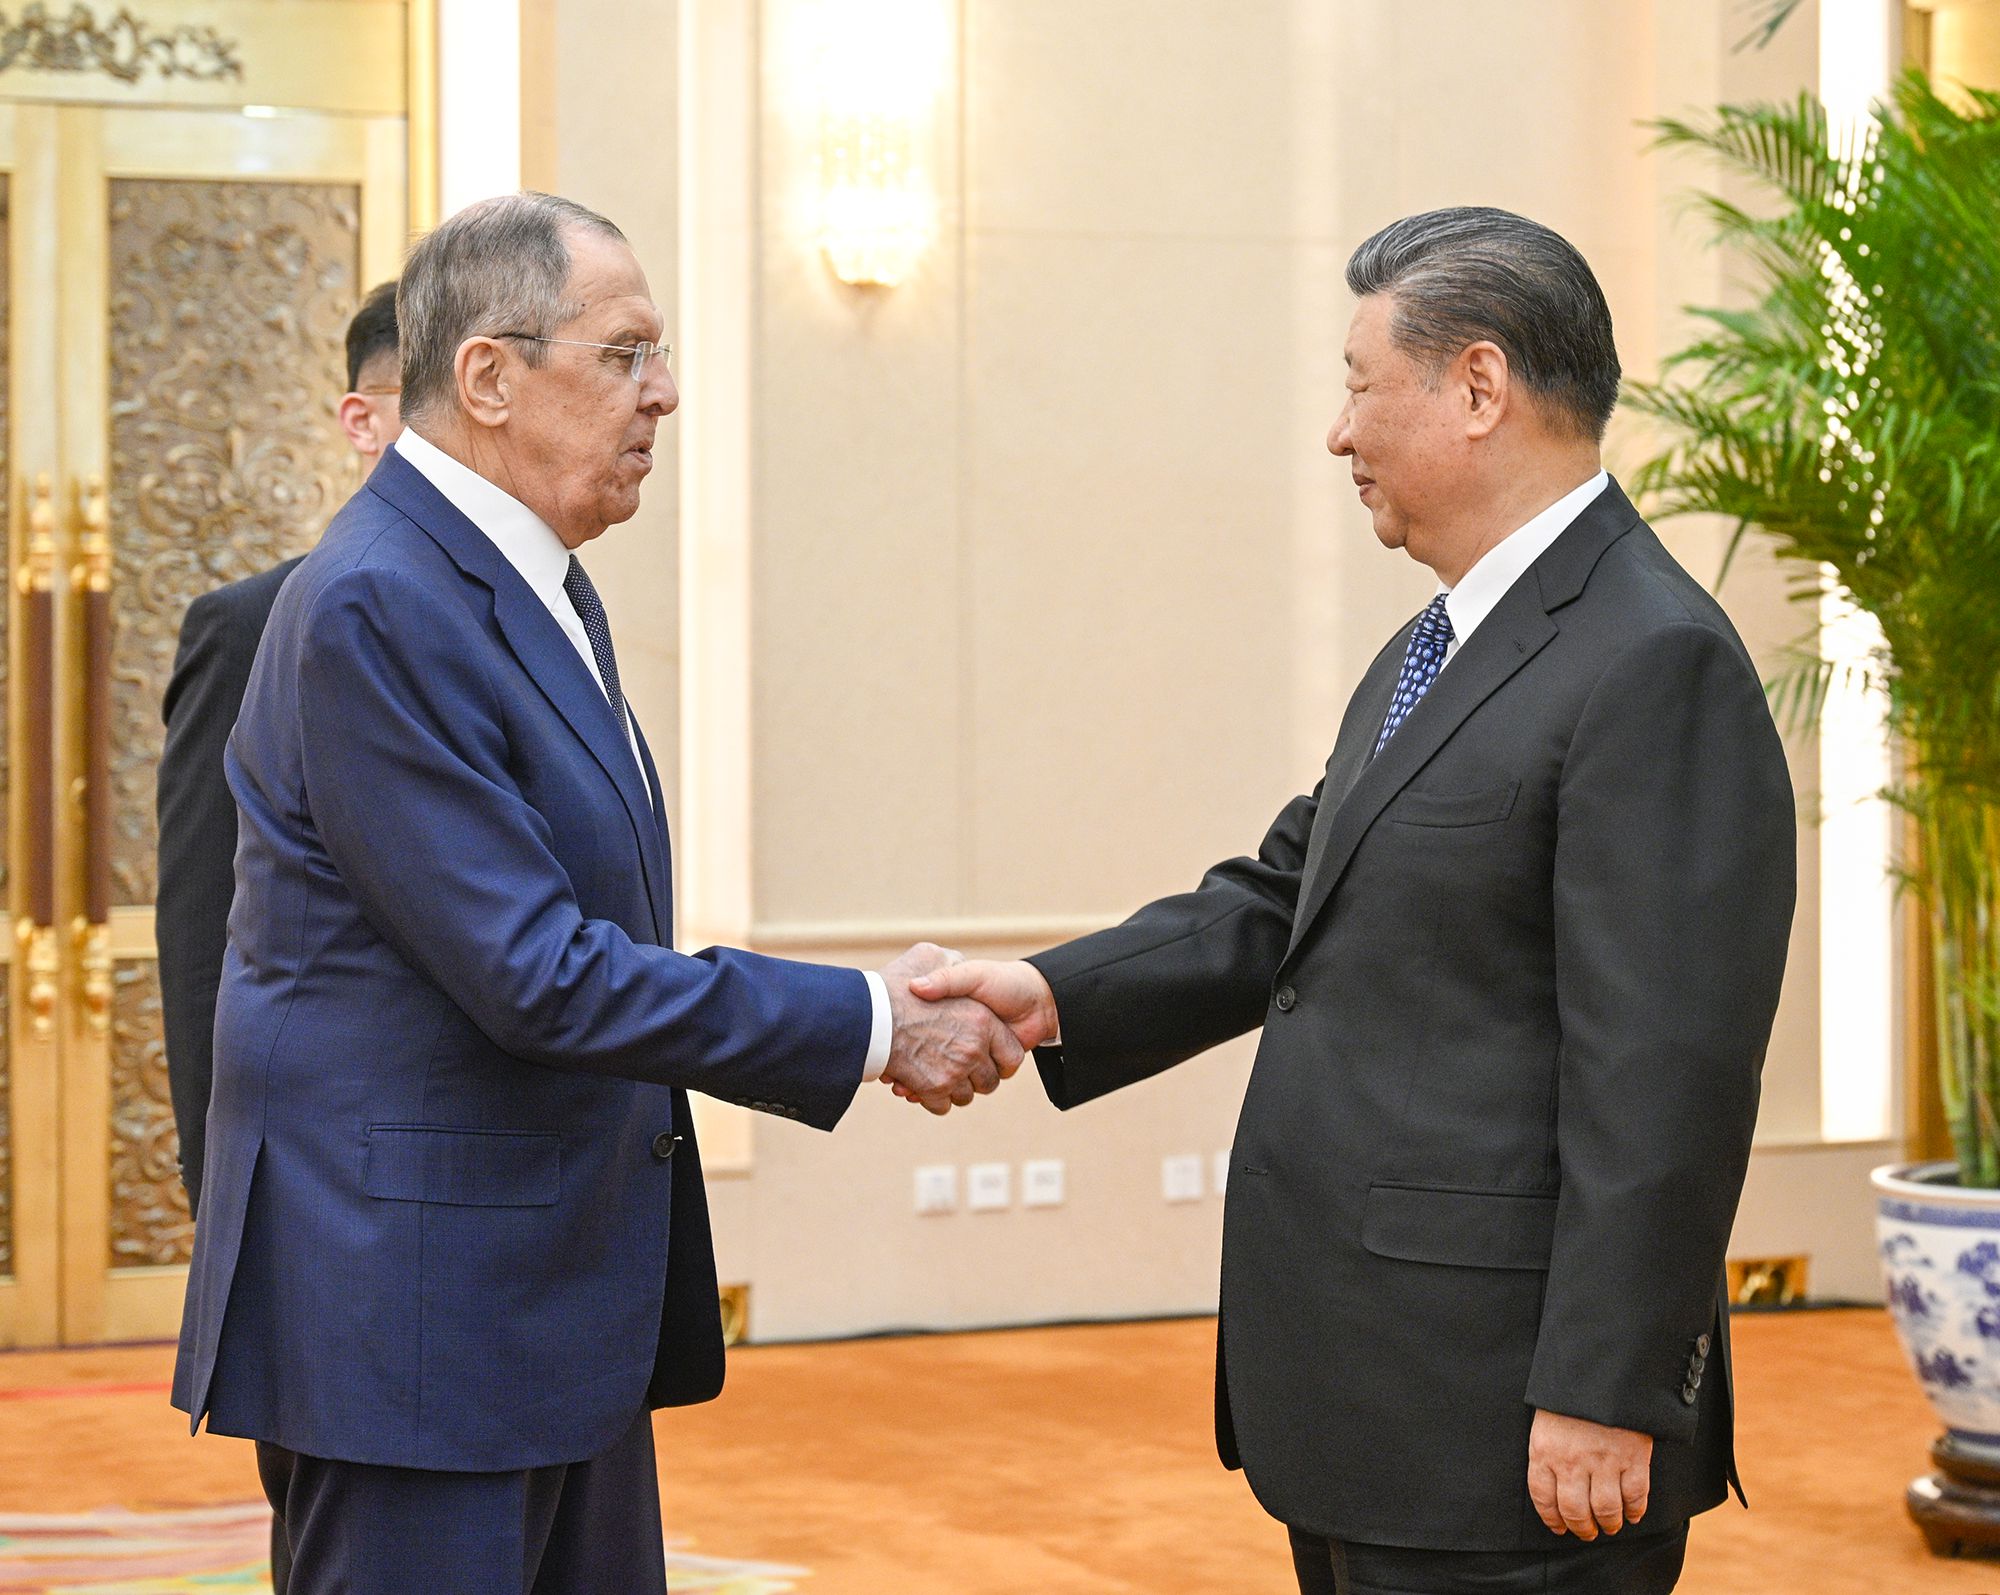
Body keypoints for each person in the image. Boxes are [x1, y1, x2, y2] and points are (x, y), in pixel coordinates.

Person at [913, 207, 1797, 1595]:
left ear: (1480, 388)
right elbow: (1285, 898)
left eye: (1357, 383)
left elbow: (1667, 1076)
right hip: (1378, 1405)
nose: (1338, 432)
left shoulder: (1653, 659)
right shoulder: (1436, 639)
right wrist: (1054, 993)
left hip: (1510, 1426)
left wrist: (1605, 1386)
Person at [169, 191, 1017, 1595]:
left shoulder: (529, 582)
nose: (664, 393)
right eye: (626, 353)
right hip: (420, 1330)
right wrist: (874, 1019)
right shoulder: (377, 602)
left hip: (539, 1308)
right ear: (489, 376)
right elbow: (537, 968)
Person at [159, 275, 405, 1221]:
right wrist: (215, 1160)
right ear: (361, 420)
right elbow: (203, 917)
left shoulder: (543, 616)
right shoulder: (252, 625)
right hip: (307, 1163)